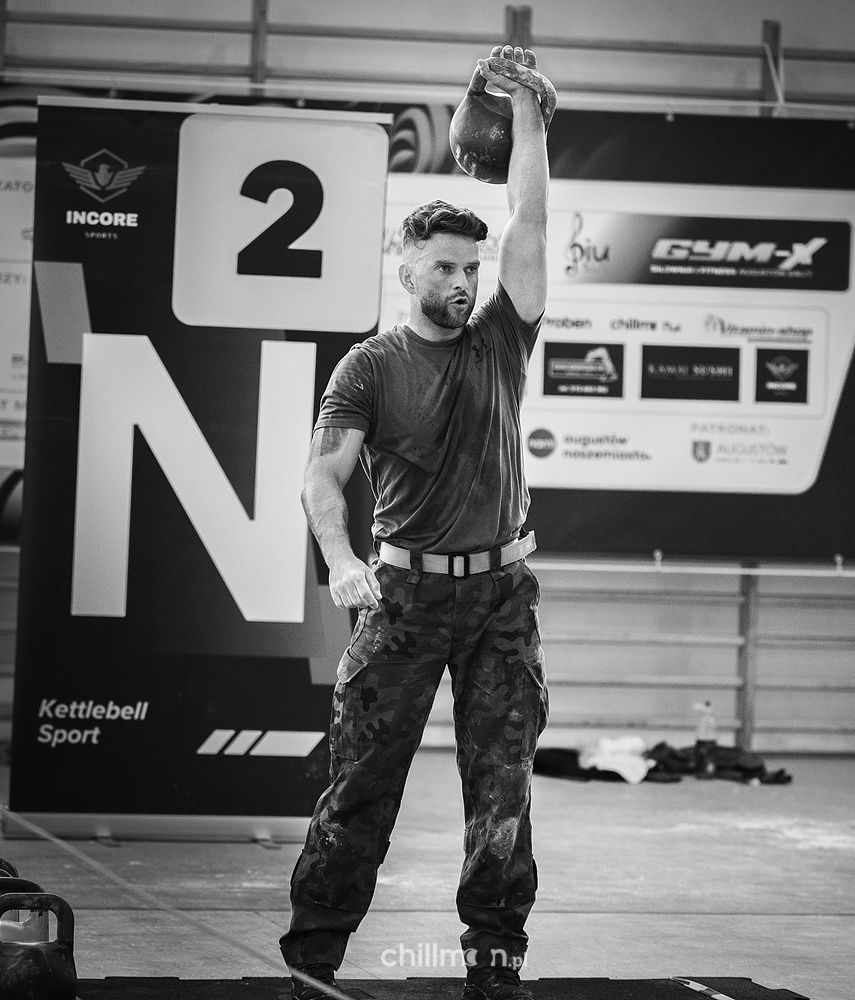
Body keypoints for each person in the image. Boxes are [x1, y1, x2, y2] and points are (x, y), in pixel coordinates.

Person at [280, 44, 552, 1000]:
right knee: (359, 790)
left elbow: (529, 219)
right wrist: (339, 558)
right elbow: (323, 477)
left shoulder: (503, 339)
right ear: (407, 269)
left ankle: (494, 964)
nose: (463, 282)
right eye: (445, 267)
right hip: (401, 598)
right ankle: (314, 961)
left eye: (471, 268)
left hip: (501, 599)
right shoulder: (370, 366)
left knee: (503, 798)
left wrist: (528, 112)